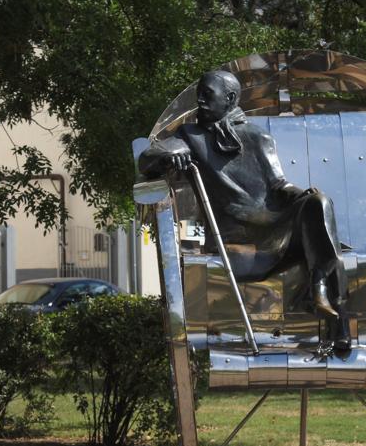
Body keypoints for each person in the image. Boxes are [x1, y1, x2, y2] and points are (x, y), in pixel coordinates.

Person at [139, 69, 350, 348]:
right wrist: (171, 154)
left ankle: (319, 289)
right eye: (198, 93)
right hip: (234, 238)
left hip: (274, 228)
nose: (200, 99)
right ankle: (333, 316)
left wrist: (305, 195)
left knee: (320, 202)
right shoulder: (190, 135)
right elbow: (147, 158)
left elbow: (279, 185)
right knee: (327, 238)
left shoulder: (255, 136)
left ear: (229, 98)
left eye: (207, 94)